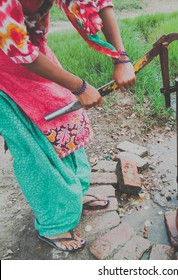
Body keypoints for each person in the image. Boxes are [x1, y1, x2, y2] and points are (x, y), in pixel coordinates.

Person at [0, 0, 136, 252]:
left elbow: (98, 3)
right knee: (35, 148)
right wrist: (80, 86)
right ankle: (54, 224)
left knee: (65, 123)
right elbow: (19, 52)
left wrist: (121, 57)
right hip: (6, 70)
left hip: (34, 52)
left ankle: (73, 198)